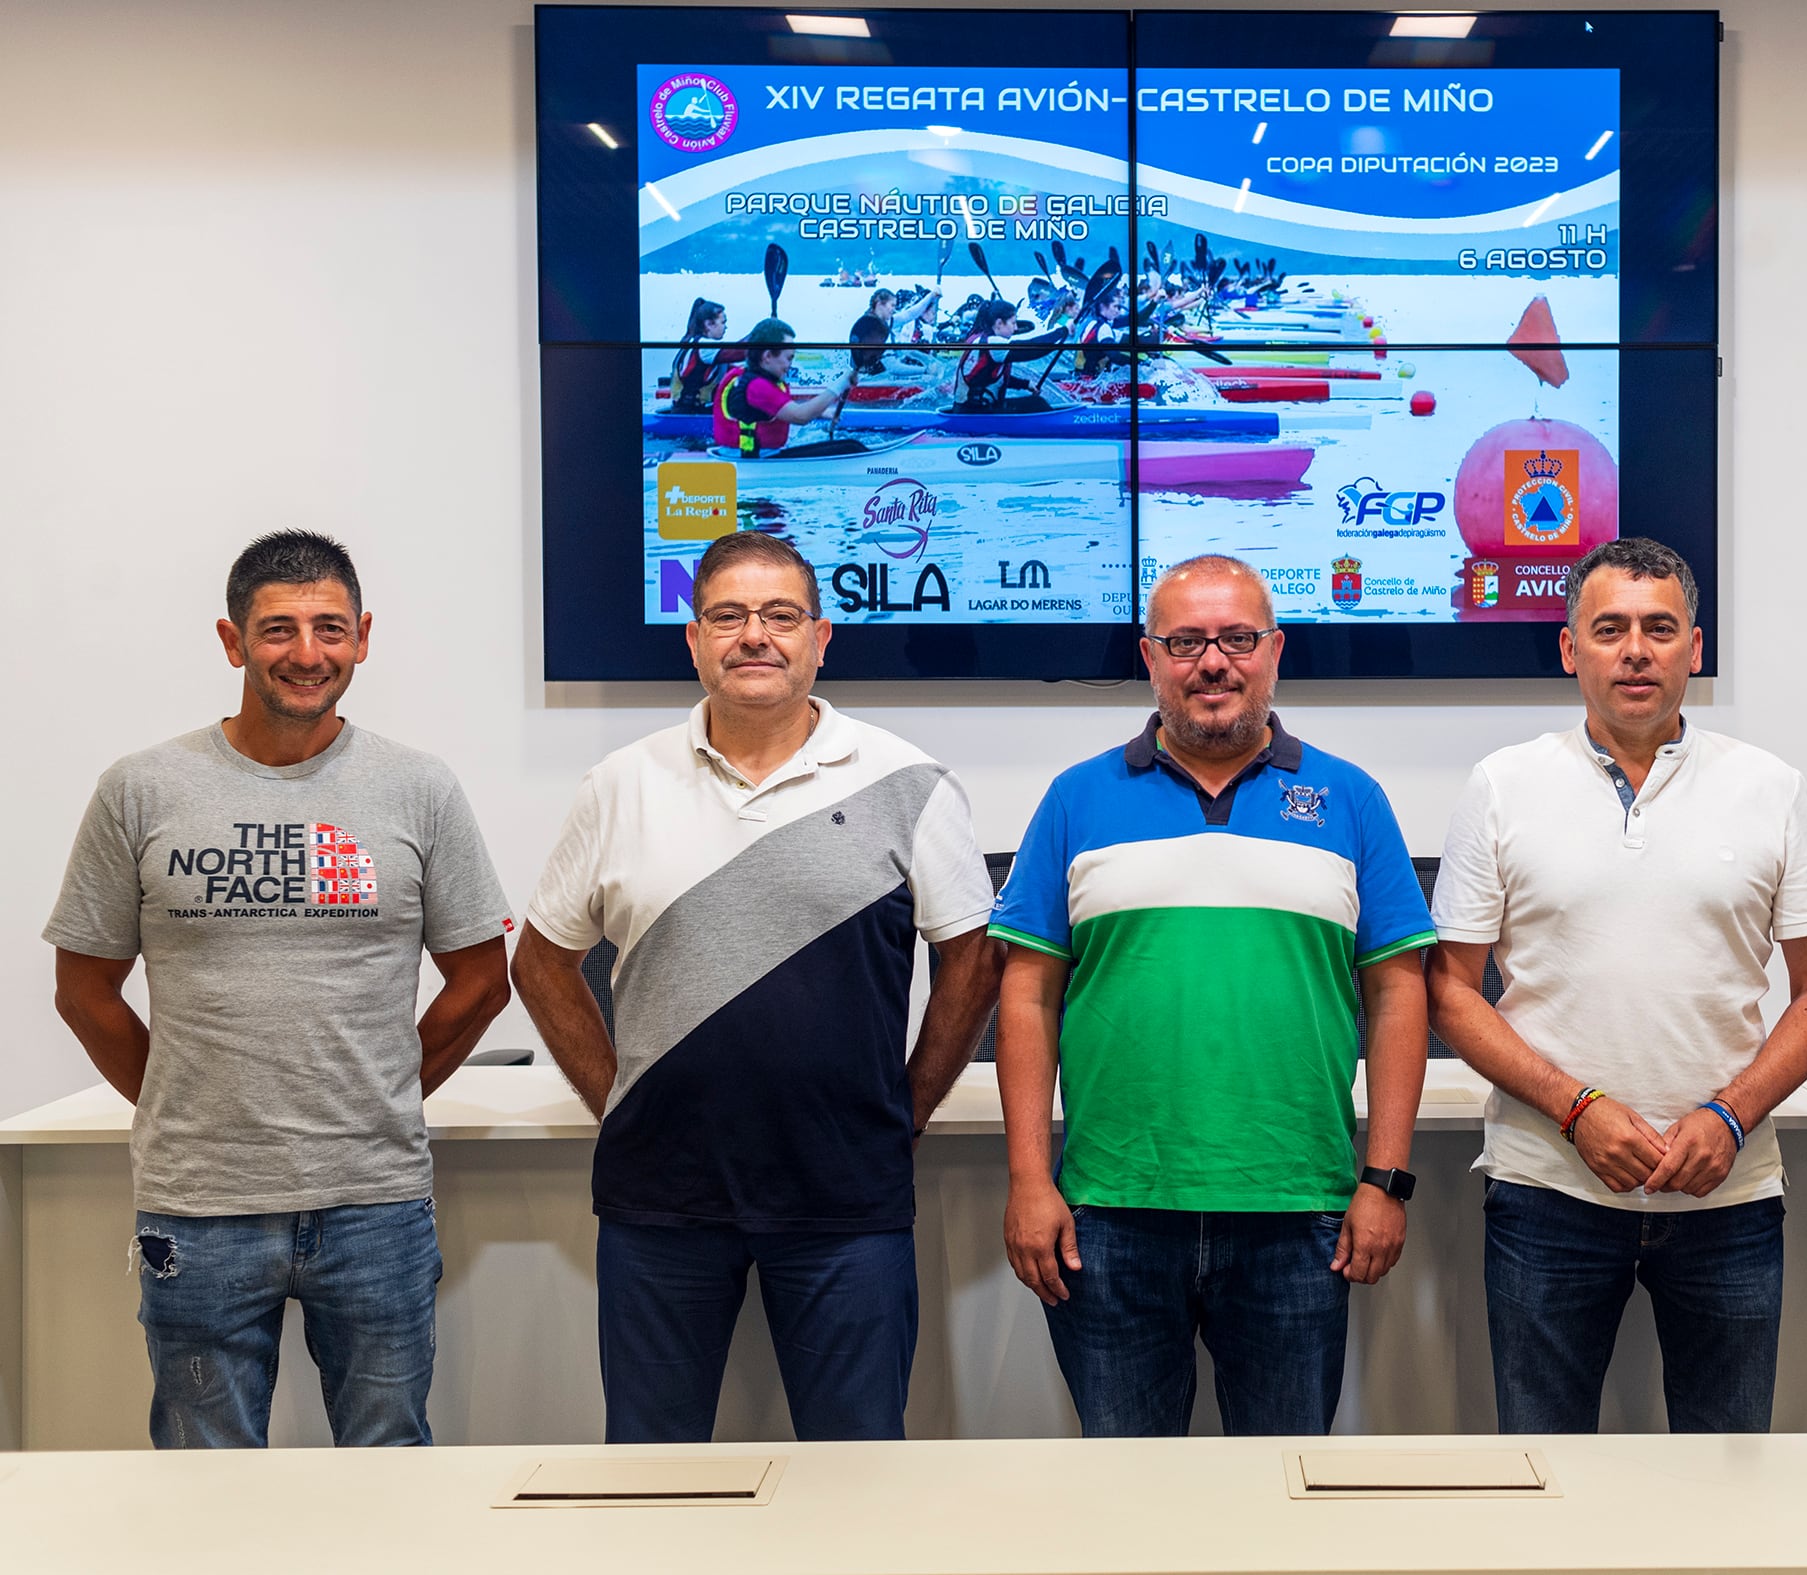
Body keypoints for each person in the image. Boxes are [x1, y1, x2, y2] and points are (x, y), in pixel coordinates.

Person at [510, 531, 1002, 1444]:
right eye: (728, 616)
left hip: (847, 1200)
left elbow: (972, 958)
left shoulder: (909, 782)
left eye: (780, 616)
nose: (755, 636)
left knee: (858, 1479)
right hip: (659, 1200)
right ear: (692, 639)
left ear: (821, 637)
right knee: (651, 1479)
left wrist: (909, 1109)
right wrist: (616, 1098)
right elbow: (540, 960)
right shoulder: (621, 784)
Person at [45, 531, 513, 1449]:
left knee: (388, 1461)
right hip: (198, 1204)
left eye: (330, 627)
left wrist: (380, 1090)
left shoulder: (419, 789)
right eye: (278, 629)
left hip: (374, 1201)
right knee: (203, 1475)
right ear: (232, 641)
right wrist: (185, 1099)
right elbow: (84, 988)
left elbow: (481, 981)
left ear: (364, 636)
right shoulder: (140, 790)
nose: (308, 653)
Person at [991, 554, 1434, 1437]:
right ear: (1150, 656)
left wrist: (1384, 1181)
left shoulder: (1351, 799)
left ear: (1276, 651)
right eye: (1186, 641)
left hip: (1301, 1214)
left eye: (1237, 638)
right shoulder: (1077, 799)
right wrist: (1029, 1180)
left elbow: (1397, 996)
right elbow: (1028, 995)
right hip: (1108, 1218)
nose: (1213, 662)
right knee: (1128, 1496)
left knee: (1281, 1500)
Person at [1428, 537, 1807, 1434]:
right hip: (1549, 1188)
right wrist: (1577, 1108)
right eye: (1610, 627)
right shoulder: (1502, 786)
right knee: (1545, 1473)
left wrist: (1729, 1117)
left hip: (1726, 1193)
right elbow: (1451, 990)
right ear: (1569, 647)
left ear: (1694, 649)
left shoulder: (1768, 787)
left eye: (1659, 628)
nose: (1635, 650)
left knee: (1727, 1472)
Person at [709, 319, 851, 457]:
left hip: (753, 456)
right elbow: (800, 416)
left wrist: (820, 412)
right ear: (768, 356)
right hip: (754, 462)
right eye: (789, 358)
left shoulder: (751, 378)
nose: (790, 365)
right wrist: (841, 383)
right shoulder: (757, 387)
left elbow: (782, 408)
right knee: (848, 448)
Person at [668, 297, 735, 413]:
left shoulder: (693, 343)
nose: (726, 327)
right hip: (691, 414)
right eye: (723, 322)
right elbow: (738, 353)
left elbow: (733, 367)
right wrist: (762, 334)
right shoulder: (704, 347)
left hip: (691, 411)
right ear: (709, 324)